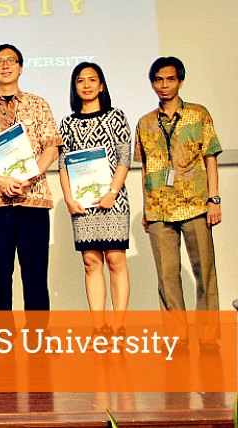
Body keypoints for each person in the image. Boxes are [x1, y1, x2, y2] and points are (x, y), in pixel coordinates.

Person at [0, 44, 62, 332]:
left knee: (35, 273)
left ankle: (38, 336)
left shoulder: (39, 104)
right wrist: (0, 180)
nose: (5, 66)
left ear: (20, 67)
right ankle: (2, 338)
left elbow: (51, 147)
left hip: (33, 198)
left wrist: (29, 177)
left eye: (11, 61)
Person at [134, 56, 221, 349]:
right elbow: (145, 168)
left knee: (204, 272)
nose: (164, 85)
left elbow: (210, 158)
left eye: (170, 79)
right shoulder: (145, 122)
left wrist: (214, 199)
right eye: (158, 80)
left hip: (195, 204)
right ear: (152, 83)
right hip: (159, 208)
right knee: (167, 276)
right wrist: (146, 207)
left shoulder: (198, 114)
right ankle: (176, 337)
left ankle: (207, 335)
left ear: (180, 81)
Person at [58, 63, 132, 338]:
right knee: (91, 262)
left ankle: (119, 327)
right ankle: (99, 328)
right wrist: (68, 198)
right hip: (82, 203)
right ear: (75, 87)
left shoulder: (116, 116)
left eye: (92, 80)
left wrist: (112, 192)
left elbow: (124, 158)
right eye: (80, 80)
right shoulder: (68, 124)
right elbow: (63, 165)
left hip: (113, 200)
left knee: (115, 261)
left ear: (101, 85)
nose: (86, 85)